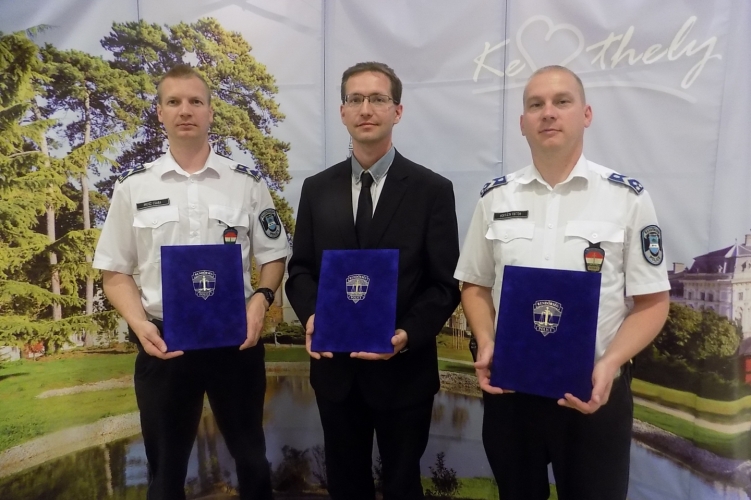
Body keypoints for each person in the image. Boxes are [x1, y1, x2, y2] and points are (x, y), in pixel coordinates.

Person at [455, 65, 670, 500]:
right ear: (522, 123)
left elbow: (653, 302)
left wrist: (610, 364)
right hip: (511, 392)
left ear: (586, 114)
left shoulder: (627, 198)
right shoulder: (495, 197)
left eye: (562, 102)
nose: (548, 113)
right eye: (536, 105)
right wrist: (486, 340)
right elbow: (474, 285)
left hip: (594, 392)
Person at [92, 64, 288, 500]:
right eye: (174, 102)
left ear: (210, 112)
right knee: (165, 473)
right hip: (163, 343)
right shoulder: (133, 187)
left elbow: (274, 255)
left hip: (234, 340)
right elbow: (114, 271)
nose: (186, 110)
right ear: (160, 112)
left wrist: (261, 297)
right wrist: (139, 323)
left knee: (252, 462)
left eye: (196, 101)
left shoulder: (246, 183)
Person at [285, 61, 460, 500]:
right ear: (342, 111)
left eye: (378, 99)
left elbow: (444, 285)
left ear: (397, 111)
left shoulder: (432, 190)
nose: (366, 109)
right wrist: (313, 316)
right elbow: (300, 271)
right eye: (356, 99)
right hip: (336, 374)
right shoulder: (316, 189)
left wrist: (407, 334)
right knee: (346, 486)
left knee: (402, 486)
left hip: (404, 373)